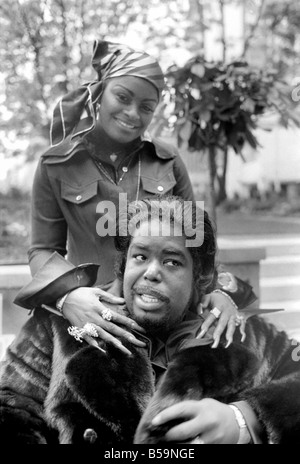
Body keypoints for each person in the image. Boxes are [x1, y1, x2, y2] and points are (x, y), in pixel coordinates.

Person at [1, 195, 299, 444]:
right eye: (140, 257)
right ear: (123, 266)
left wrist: (245, 420)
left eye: (172, 261)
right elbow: (10, 410)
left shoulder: (243, 334)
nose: (152, 272)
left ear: (201, 277)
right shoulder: (55, 327)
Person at [28, 39, 256, 353]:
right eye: (122, 97)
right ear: (99, 93)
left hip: (168, 317)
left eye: (147, 107)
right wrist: (68, 296)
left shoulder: (168, 160)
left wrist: (219, 294)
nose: (133, 114)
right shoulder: (57, 165)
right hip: (93, 318)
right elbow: (42, 249)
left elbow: (198, 244)